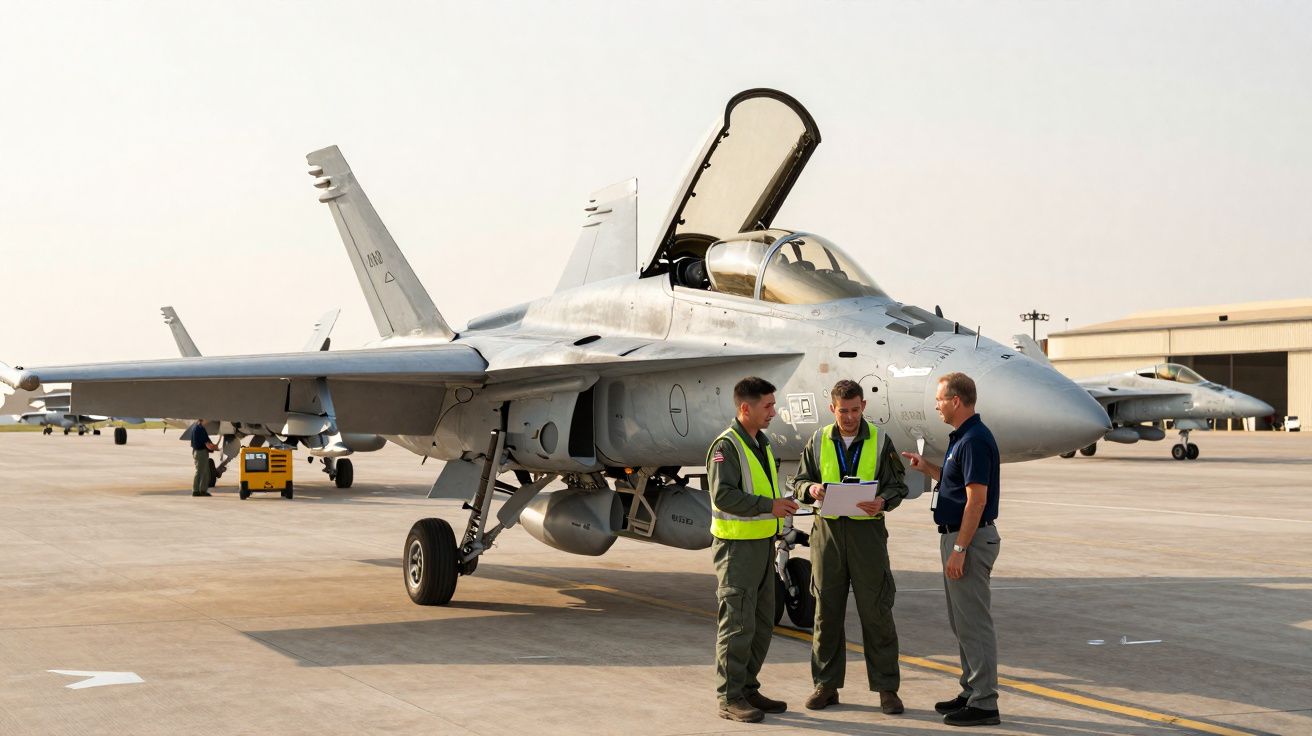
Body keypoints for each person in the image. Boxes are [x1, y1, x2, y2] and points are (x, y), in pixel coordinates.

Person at [789, 379, 908, 715]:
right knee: (826, 613)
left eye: (855, 410)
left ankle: (887, 689)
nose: (850, 417)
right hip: (827, 535)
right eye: (844, 411)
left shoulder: (881, 440)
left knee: (877, 612)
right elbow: (798, 482)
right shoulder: (817, 440)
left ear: (863, 407)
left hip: (867, 535)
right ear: (832, 409)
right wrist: (811, 489)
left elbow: (897, 485)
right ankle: (826, 686)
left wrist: (883, 501)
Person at [901, 372, 1002, 727]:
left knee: (974, 623)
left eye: (940, 400)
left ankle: (985, 703)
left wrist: (960, 548)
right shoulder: (963, 437)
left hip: (967, 539)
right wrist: (927, 467)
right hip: (958, 537)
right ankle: (971, 690)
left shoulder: (974, 440)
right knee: (961, 623)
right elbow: (955, 482)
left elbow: (976, 500)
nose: (937, 406)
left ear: (956, 401)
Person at [707, 376, 798, 723]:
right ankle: (729, 697)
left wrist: (780, 505)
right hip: (736, 549)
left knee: (760, 623)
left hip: (761, 545)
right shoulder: (726, 446)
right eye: (768, 406)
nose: (774, 411)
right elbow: (723, 496)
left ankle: (747, 687)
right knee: (737, 624)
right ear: (746, 408)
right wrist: (768, 506)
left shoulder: (762, 442)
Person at [190, 419, 219, 497]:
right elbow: (208, 445)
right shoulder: (201, 429)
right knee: (201, 472)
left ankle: (201, 490)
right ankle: (196, 491)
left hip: (197, 452)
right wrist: (216, 448)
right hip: (201, 453)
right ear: (203, 419)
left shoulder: (196, 427)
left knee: (204, 472)